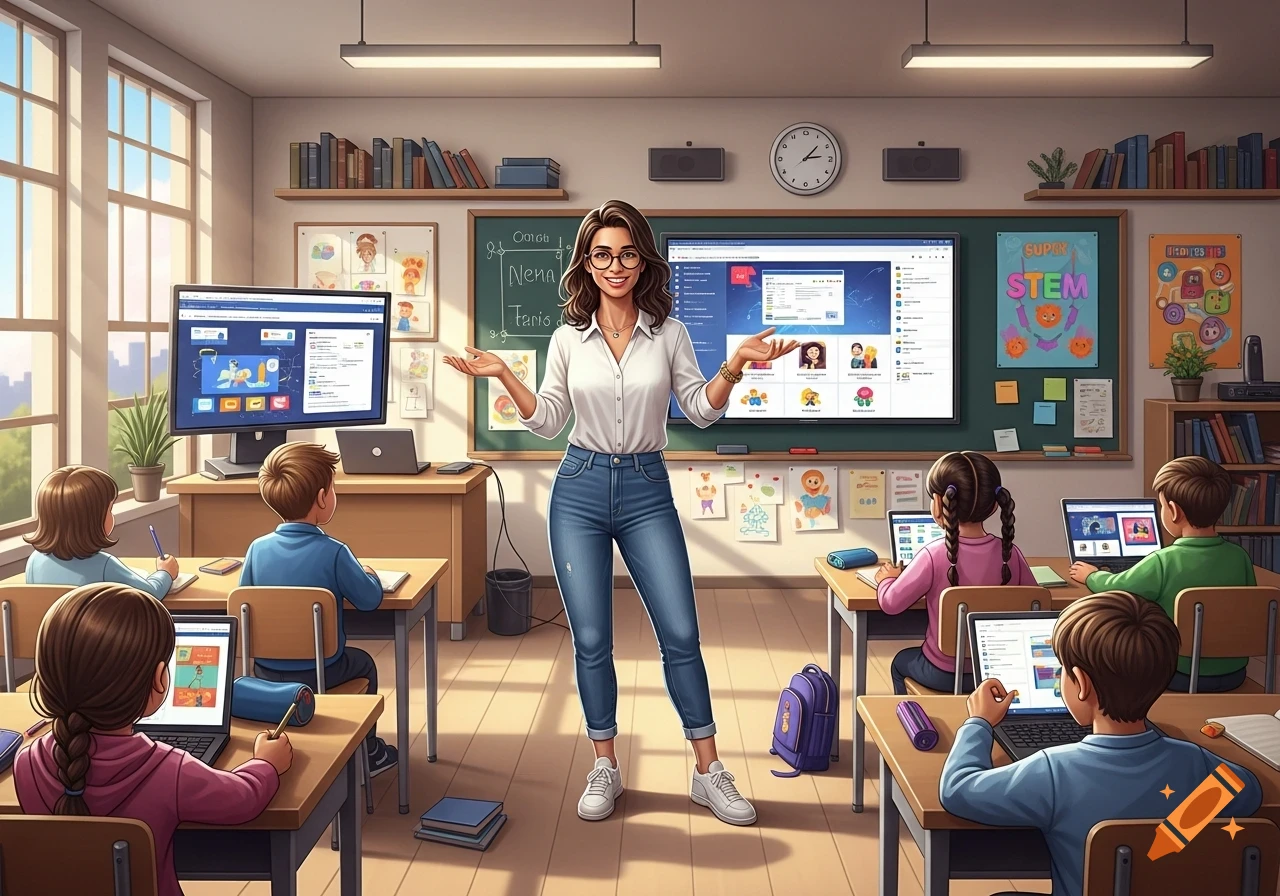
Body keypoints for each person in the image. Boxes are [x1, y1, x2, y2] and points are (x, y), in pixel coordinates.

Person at [444, 199, 797, 826]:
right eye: (602, 254)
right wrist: (502, 373)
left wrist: (735, 366)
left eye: (627, 253)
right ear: (587, 262)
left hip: (645, 486)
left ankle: (708, 771)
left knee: (681, 634)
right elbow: (550, 419)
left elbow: (700, 409)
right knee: (593, 639)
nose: (615, 265)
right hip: (578, 488)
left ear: (643, 261)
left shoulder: (670, 334)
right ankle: (605, 765)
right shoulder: (565, 339)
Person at [940, 591, 1262, 896]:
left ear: (1081, 684)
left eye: (1061, 671)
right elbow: (1250, 790)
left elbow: (957, 789)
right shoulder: (1195, 763)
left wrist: (978, 723)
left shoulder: (1052, 772)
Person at [14, 583, 292, 896]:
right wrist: (265, 763)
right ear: (159, 679)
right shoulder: (169, 769)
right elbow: (243, 799)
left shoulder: (27, 762)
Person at [239, 441, 398, 776]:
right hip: (321, 670)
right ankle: (369, 754)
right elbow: (370, 600)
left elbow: (245, 601)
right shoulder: (335, 551)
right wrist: (368, 573)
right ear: (323, 498)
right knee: (364, 664)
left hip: (265, 671)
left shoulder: (256, 549)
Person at [1068, 456, 1255, 692]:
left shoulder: (1163, 561)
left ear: (1174, 511)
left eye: (1162, 505)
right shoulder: (1239, 558)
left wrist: (1091, 576)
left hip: (1179, 674)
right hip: (1234, 673)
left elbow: (1115, 587)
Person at [875, 451, 1034, 694]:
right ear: (994, 506)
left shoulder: (933, 555)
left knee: (900, 663)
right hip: (998, 673)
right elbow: (1036, 605)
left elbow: (890, 604)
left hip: (943, 673)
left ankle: (915, 727)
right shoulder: (1011, 554)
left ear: (939, 503)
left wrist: (887, 579)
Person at [23, 465, 178, 600]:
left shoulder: (34, 561)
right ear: (92, 519)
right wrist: (165, 572)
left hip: (50, 634)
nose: (112, 515)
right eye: (110, 509)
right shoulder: (105, 565)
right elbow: (150, 594)